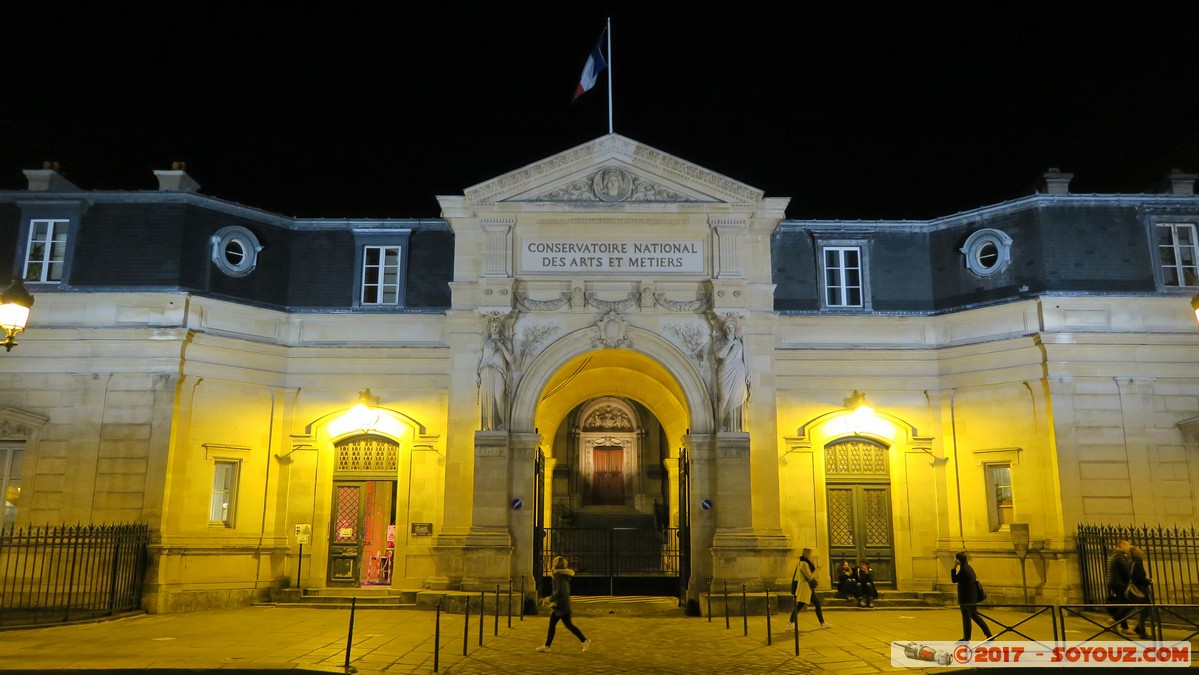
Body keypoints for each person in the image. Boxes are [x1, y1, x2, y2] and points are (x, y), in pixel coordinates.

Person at [536, 556, 591, 653]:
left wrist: (549, 598)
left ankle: (584, 640)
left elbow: (560, 591)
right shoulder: (563, 575)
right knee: (554, 624)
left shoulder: (558, 575)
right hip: (561, 604)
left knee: (568, 625)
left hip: (561, 605)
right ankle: (547, 645)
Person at [477, 314, 514, 430]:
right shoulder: (485, 342)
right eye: (492, 326)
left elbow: (512, 361)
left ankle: (501, 423)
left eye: (496, 326)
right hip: (485, 371)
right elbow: (479, 358)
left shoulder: (505, 342)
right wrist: (475, 374)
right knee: (487, 398)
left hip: (499, 372)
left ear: (500, 327)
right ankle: (487, 426)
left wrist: (502, 348)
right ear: (489, 327)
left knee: (499, 396)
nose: (494, 328)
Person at [714, 316, 750, 432]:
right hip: (725, 371)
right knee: (723, 398)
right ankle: (720, 425)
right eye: (728, 327)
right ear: (724, 330)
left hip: (738, 371)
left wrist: (748, 374)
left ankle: (734, 427)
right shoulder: (720, 343)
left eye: (732, 327)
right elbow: (720, 355)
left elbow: (746, 358)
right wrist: (730, 345)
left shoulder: (740, 342)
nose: (730, 329)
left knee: (737, 397)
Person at [951, 551, 992, 642]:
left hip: (966, 599)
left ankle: (967, 638)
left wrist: (954, 568)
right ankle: (988, 634)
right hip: (972, 598)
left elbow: (954, 579)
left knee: (966, 619)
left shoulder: (963, 570)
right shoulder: (969, 568)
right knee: (975, 617)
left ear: (958, 560)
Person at [787, 548, 830, 629]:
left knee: (816, 603)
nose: (812, 555)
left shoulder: (807, 563)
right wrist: (817, 570)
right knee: (800, 605)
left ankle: (822, 622)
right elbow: (809, 577)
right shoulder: (804, 563)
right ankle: (790, 622)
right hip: (805, 588)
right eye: (811, 553)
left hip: (808, 588)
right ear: (807, 554)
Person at [1106, 538, 1133, 633]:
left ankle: (1124, 627)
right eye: (1127, 545)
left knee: (1122, 604)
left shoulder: (1112, 554)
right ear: (1122, 545)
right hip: (1119, 583)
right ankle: (1114, 620)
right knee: (1129, 604)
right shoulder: (1120, 556)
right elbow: (1127, 570)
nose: (1129, 547)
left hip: (1113, 582)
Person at [1125, 545, 1152, 639]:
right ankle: (1142, 631)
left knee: (1144, 610)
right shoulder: (1137, 562)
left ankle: (1138, 628)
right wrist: (1148, 581)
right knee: (1145, 610)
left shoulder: (1131, 562)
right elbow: (1138, 578)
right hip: (1140, 589)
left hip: (1137, 588)